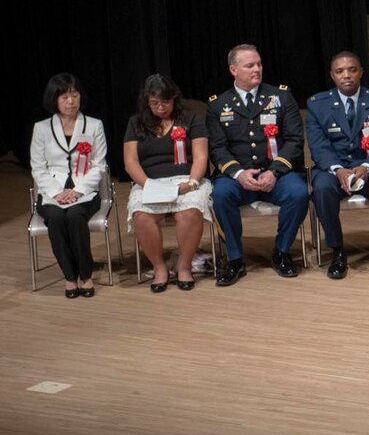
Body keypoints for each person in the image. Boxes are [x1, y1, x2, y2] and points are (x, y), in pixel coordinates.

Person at [206, 44, 308, 285]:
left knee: (299, 194)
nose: (257, 69)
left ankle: (281, 251)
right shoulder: (218, 105)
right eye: (249, 65)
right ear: (234, 70)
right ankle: (235, 259)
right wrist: (238, 173)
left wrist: (274, 171)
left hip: (278, 174)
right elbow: (217, 148)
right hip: (238, 177)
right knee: (220, 195)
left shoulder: (281, 96)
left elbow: (295, 140)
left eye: (259, 64)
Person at [304, 51, 369, 279]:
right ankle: (337, 251)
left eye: (352, 70)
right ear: (332, 75)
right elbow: (318, 147)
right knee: (322, 188)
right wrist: (338, 169)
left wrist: (367, 167)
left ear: (361, 72)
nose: (346, 75)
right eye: (340, 71)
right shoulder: (318, 105)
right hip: (335, 168)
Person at [122, 74, 211, 291]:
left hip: (187, 180)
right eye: (154, 103)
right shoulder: (136, 122)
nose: (160, 108)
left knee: (189, 211)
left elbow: (200, 157)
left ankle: (184, 266)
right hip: (150, 182)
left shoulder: (191, 119)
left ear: (174, 99)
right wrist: (148, 185)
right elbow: (130, 161)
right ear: (147, 102)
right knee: (142, 215)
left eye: (165, 102)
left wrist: (190, 183)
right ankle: (160, 267)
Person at [31, 74, 110, 298]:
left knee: (75, 216)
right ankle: (69, 276)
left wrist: (77, 190)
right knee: (56, 218)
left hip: (84, 191)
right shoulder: (42, 128)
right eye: (65, 96)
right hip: (51, 193)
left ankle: (85, 275)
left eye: (74, 95)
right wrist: (57, 193)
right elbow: (38, 167)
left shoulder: (94, 125)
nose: (71, 101)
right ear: (55, 100)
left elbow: (99, 165)